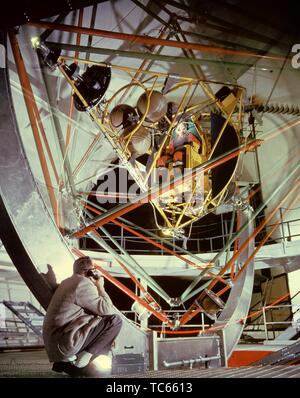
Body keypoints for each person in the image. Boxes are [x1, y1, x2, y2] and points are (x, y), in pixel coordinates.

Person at [42, 256, 122, 377]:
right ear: (89, 271)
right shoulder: (83, 283)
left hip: (55, 344)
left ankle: (65, 363)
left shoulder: (67, 282)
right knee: (115, 321)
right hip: (65, 342)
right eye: (94, 269)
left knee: (95, 321)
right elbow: (106, 310)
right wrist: (100, 287)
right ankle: (82, 360)